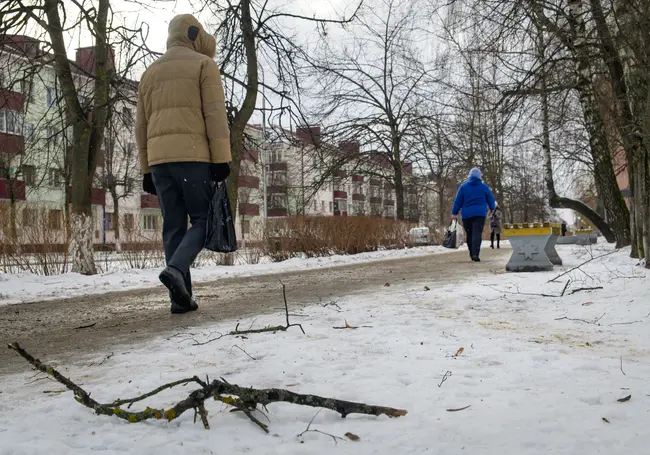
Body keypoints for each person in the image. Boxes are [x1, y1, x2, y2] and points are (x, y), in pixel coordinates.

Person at [136, 14, 232, 314]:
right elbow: (215, 116)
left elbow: (141, 125)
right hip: (193, 158)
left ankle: (181, 299)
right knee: (203, 222)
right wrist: (222, 160)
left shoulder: (150, 73)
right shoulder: (204, 65)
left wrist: (146, 168)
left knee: (173, 227)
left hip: (160, 162)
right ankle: (176, 268)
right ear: (194, 34)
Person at [451, 168, 496, 262]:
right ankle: (475, 253)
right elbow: (491, 199)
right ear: (480, 177)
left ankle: (472, 252)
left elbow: (458, 200)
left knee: (470, 233)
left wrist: (454, 212)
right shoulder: (484, 187)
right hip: (480, 214)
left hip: (467, 215)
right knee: (477, 233)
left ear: (469, 176)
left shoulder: (463, 187)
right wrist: (492, 208)